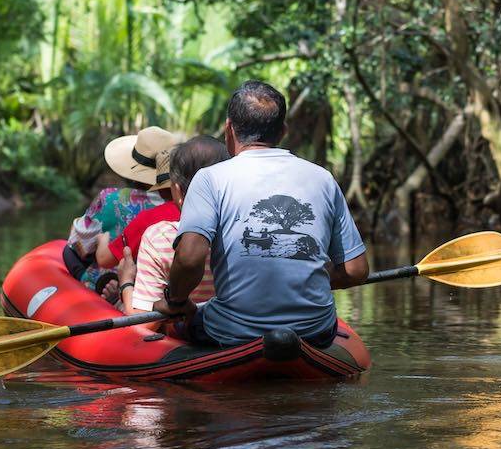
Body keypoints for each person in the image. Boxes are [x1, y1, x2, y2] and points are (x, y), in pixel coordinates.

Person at [155, 80, 369, 347]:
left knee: (176, 326)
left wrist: (175, 301)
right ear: (283, 132)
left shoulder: (210, 178)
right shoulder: (323, 178)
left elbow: (188, 259)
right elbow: (357, 270)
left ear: (228, 129)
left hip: (232, 332)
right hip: (317, 331)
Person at [117, 136, 230, 314]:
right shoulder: (243, 231)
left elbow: (142, 322)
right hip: (239, 333)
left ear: (176, 190)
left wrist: (126, 281)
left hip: (182, 337)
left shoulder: (159, 237)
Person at [64, 126, 179, 293]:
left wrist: (101, 239)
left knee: (69, 251)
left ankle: (94, 289)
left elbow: (78, 241)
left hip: (113, 279)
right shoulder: (181, 205)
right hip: (159, 286)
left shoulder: (112, 198)